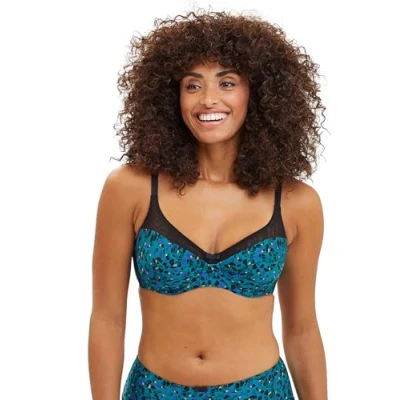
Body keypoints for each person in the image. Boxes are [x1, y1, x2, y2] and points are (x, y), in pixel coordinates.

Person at [88, 9, 328, 400]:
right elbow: (107, 320)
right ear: (172, 96)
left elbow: (301, 330)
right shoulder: (130, 189)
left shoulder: (297, 203)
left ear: (258, 93)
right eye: (193, 85)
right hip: (153, 392)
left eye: (227, 82)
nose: (208, 99)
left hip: (262, 392)